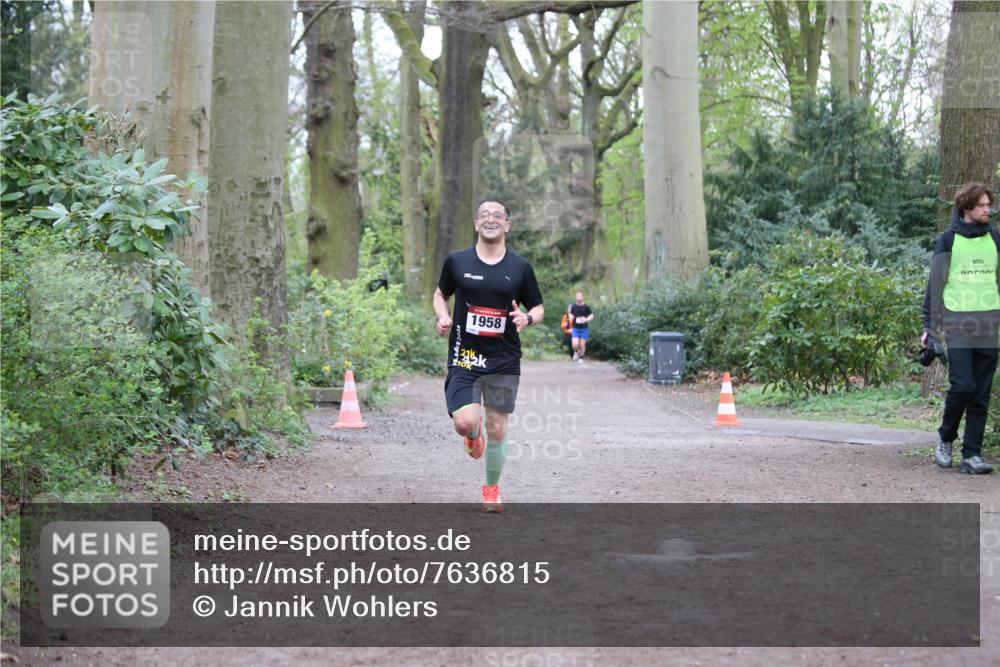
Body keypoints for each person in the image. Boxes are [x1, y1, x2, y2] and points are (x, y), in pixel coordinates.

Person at [433, 198, 545, 511]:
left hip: (503, 358)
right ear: (476, 223)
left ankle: (492, 489)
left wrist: (528, 318)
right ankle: (473, 434)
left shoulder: (520, 268)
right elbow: (441, 294)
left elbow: (538, 307)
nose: (490, 219)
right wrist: (443, 315)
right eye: (484, 215)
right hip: (464, 355)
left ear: (507, 225)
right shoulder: (457, 262)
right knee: (465, 422)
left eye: (497, 215)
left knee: (498, 427)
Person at [922, 183, 997, 474]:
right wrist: (928, 325)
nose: (986, 209)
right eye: (981, 205)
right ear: (966, 207)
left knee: (980, 392)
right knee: (963, 385)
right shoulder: (948, 240)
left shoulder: (996, 239)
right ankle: (945, 438)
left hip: (989, 325)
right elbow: (935, 284)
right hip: (958, 323)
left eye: (988, 204)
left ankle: (972, 455)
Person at [569, 291, 594, 363]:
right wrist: (571, 317)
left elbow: (592, 316)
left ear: (583, 297)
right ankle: (576, 352)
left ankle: (581, 358)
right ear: (576, 297)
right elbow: (570, 314)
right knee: (575, 344)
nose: (579, 297)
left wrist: (586, 319)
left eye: (580, 296)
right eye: (577, 296)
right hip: (575, 328)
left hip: (584, 329)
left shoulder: (586, 307)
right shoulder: (573, 306)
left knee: (582, 344)